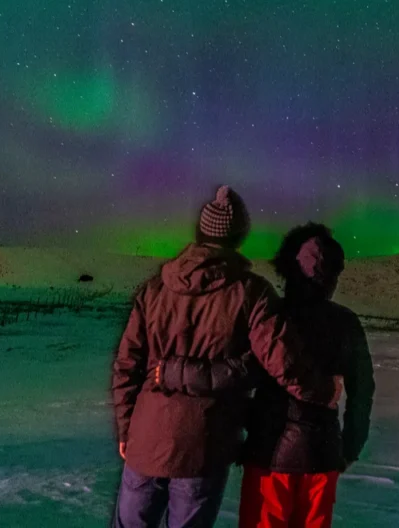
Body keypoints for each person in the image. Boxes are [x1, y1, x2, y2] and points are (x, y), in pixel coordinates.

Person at [111, 187, 335, 528]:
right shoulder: (251, 292)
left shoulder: (154, 289)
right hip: (204, 446)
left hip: (145, 441)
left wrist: (127, 428)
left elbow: (127, 365)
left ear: (200, 232)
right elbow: (282, 359)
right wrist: (323, 391)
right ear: (239, 236)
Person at [160, 223, 375, 528]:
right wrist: (350, 446)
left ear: (288, 267)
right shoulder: (346, 323)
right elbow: (362, 390)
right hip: (322, 454)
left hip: (269, 452)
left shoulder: (271, 315)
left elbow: (239, 375)